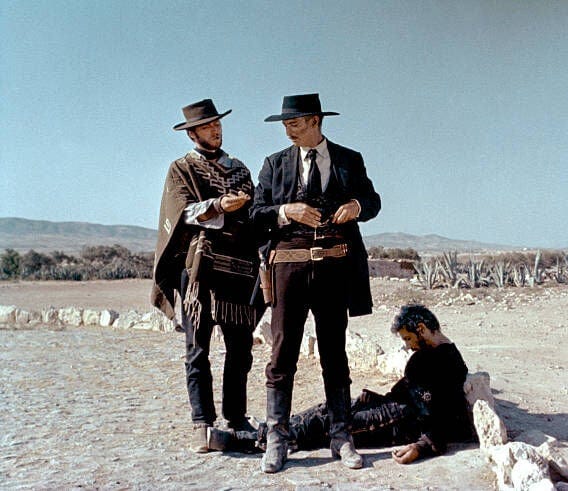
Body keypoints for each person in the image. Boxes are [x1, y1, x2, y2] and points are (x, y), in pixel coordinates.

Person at [250, 93, 381, 472]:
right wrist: (284, 211)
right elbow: (257, 214)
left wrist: (357, 207)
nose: (288, 130)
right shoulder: (274, 165)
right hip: (287, 271)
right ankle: (277, 437)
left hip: (334, 271)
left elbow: (372, 200)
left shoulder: (348, 159)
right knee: (282, 353)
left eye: (294, 123)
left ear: (316, 121)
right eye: (286, 125)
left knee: (334, 354)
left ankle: (341, 437)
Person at [206, 305, 475, 465]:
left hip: (398, 422)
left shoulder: (446, 362)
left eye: (408, 338)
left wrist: (422, 446)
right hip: (388, 406)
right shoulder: (429, 355)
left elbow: (442, 415)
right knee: (327, 411)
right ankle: (265, 431)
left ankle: (240, 440)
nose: (406, 346)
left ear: (422, 328)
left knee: (324, 428)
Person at [151, 99, 262, 453]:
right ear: (193, 133)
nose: (216, 130)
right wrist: (217, 206)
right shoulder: (181, 169)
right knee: (198, 349)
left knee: (240, 348)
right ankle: (202, 422)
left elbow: (256, 210)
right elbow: (181, 211)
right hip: (199, 270)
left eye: (218, 124)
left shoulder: (240, 169)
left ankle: (237, 417)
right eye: (208, 126)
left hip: (241, 269)